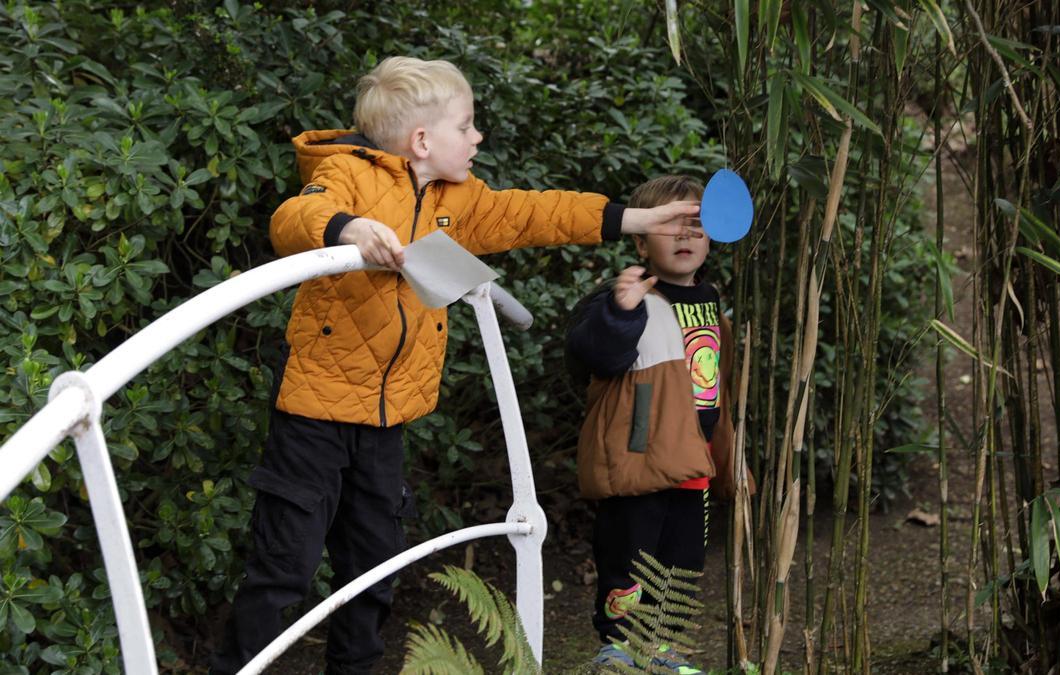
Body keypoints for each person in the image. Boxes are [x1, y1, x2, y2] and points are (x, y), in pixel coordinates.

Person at [210, 56, 701, 675]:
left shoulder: (458, 200)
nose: (477, 138)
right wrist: (349, 227)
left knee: (374, 563)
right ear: (423, 140)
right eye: (467, 126)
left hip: (388, 424)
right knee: (284, 567)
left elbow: (536, 213)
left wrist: (637, 219)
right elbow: (293, 219)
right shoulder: (346, 174)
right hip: (314, 414)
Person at [566, 175, 740, 672]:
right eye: (670, 225)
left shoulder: (713, 306)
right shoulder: (629, 296)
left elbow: (718, 394)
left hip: (694, 462)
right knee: (628, 554)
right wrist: (621, 313)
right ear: (640, 239)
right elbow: (593, 356)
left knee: (682, 562)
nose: (685, 235)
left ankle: (663, 648)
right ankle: (618, 646)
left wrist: (729, 462)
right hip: (640, 459)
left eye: (697, 225)